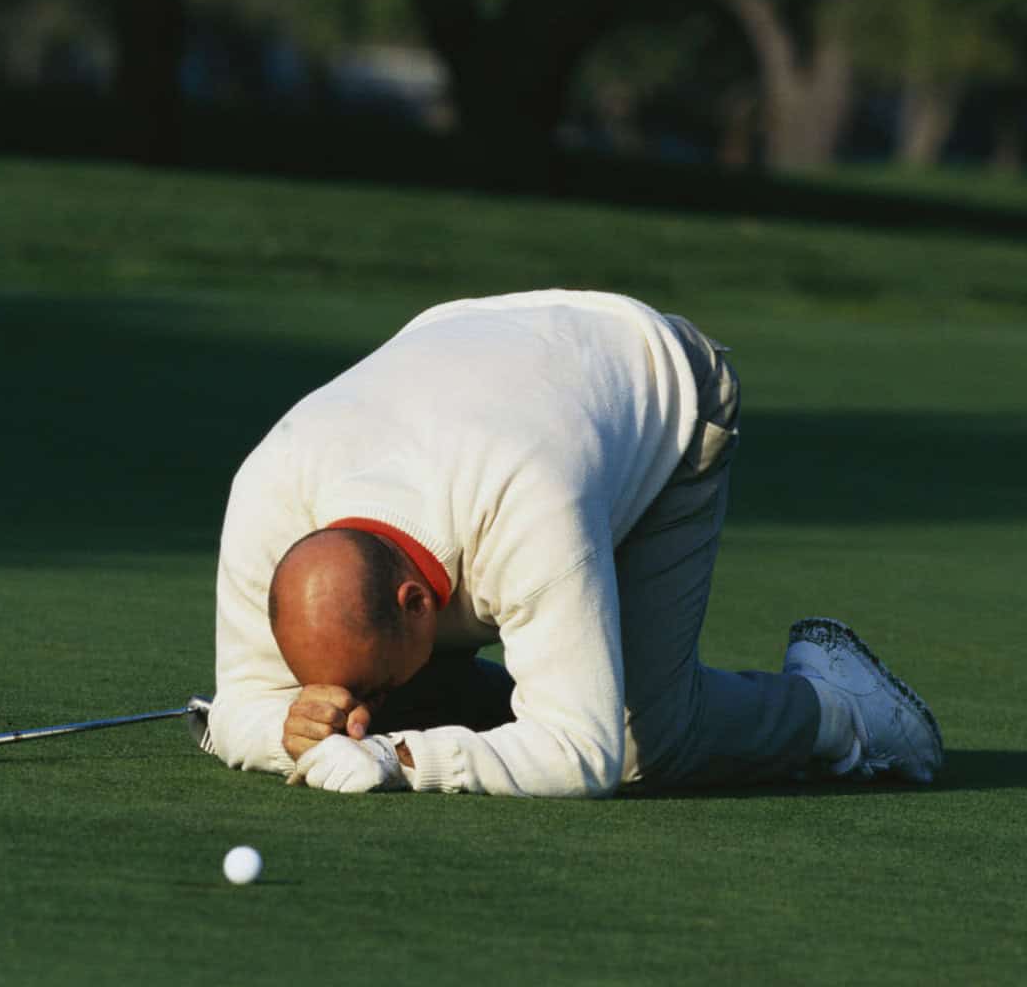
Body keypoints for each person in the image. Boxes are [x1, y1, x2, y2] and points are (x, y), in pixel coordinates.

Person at [203, 289, 942, 798]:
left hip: (659, 382)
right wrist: (288, 727)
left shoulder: (524, 500)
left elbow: (583, 753)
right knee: (411, 699)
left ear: (416, 600)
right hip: (474, 346)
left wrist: (400, 757)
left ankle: (838, 710)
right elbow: (237, 706)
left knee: (642, 746)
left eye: (358, 689)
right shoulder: (270, 493)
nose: (349, 706)